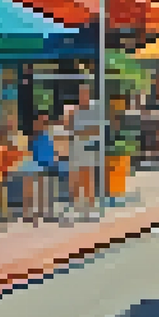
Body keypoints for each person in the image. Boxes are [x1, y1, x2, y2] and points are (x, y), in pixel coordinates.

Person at [67, 85, 104, 219]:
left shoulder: (95, 108)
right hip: (76, 146)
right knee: (76, 174)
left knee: (88, 174)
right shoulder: (74, 110)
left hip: (89, 145)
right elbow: (70, 130)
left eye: (85, 94)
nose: (82, 97)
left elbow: (96, 129)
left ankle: (90, 203)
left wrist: (80, 132)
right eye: (80, 94)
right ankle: (77, 204)